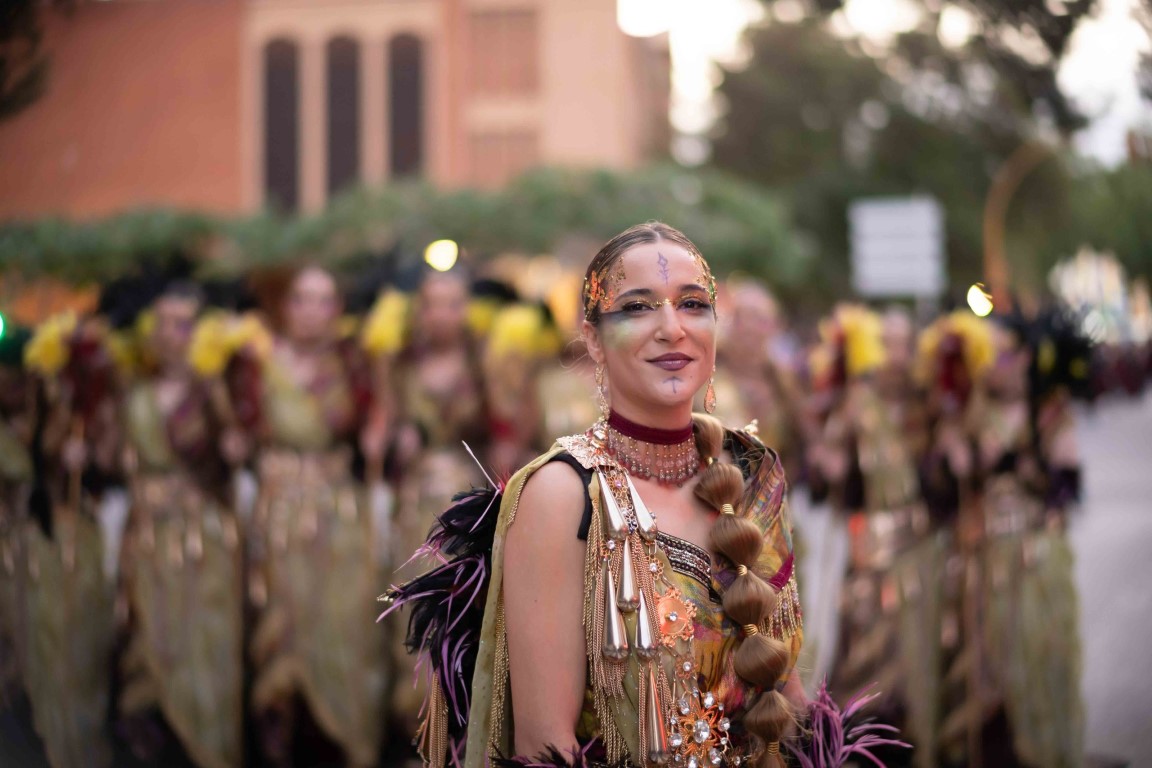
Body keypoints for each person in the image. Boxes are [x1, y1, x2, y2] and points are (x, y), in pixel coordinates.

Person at [388, 222, 806, 768]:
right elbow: (545, 745)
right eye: (637, 307)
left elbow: (788, 700)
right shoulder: (560, 494)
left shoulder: (752, 472)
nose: (672, 328)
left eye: (692, 304)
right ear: (592, 339)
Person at [233, 265, 390, 768]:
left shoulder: (355, 362)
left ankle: (344, 741)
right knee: (278, 625)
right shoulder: (255, 362)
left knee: (343, 622)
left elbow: (380, 419)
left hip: (338, 512)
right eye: (302, 299)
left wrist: (381, 435)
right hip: (277, 514)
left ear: (338, 309)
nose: (312, 312)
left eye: (324, 300)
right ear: (284, 306)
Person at [116, 283, 243, 768]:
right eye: (164, 323)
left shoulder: (214, 391)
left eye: (184, 324)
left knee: (208, 642)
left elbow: (234, 454)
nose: (173, 334)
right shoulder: (133, 394)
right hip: (147, 537)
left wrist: (233, 447)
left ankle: (212, 748)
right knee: (153, 638)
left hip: (201, 537)